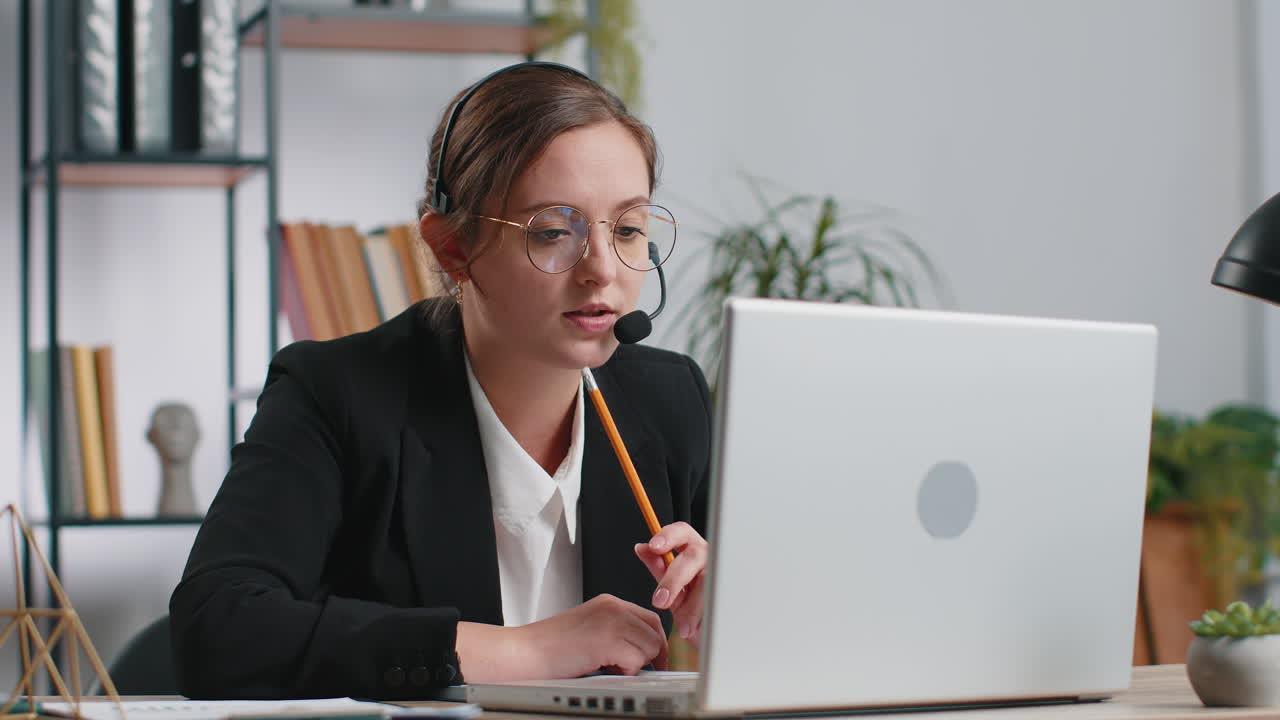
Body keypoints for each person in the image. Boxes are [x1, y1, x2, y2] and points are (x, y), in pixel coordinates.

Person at [170, 62, 713, 700]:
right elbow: (218, 630)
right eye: (552, 232)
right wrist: (530, 649)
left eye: (626, 229)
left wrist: (731, 608)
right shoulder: (334, 392)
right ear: (453, 248)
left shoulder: (668, 398)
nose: (601, 269)